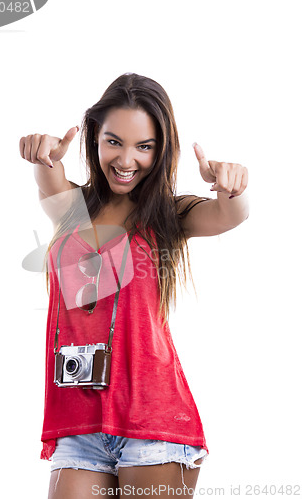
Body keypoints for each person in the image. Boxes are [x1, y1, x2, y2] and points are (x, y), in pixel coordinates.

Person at [19, 73, 249, 498]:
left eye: (145, 146)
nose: (127, 159)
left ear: (161, 151)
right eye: (114, 142)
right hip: (80, 423)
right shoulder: (72, 208)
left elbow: (230, 215)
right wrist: (41, 155)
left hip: (153, 423)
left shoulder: (169, 215)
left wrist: (232, 188)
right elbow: (46, 174)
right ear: (94, 138)